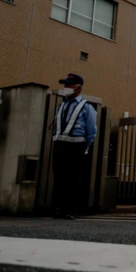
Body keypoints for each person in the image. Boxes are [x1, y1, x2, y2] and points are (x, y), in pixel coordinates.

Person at [51, 73, 97, 220]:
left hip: (76, 146)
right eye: (65, 85)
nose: (65, 88)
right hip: (59, 145)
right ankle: (60, 208)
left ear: (78, 88)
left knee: (73, 178)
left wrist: (86, 146)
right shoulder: (61, 106)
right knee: (59, 177)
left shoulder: (86, 107)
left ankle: (71, 209)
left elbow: (91, 130)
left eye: (69, 85)